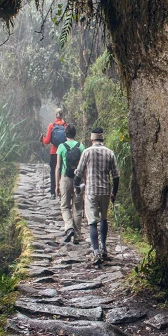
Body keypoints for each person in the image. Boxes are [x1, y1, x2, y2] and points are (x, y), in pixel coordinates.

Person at [73, 127, 119, 262]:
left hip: (91, 192)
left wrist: (76, 186)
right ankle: (104, 247)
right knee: (103, 219)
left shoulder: (87, 152)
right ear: (102, 138)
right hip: (105, 191)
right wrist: (114, 193)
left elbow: (79, 172)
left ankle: (96, 252)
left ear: (92, 138)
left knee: (92, 222)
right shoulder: (110, 153)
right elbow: (116, 176)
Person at [55, 123, 85, 244]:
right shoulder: (81, 146)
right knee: (77, 208)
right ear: (75, 134)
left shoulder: (61, 147)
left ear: (65, 134)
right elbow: (84, 166)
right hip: (78, 180)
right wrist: (85, 181)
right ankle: (77, 236)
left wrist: (57, 184)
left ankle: (69, 227)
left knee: (65, 206)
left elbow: (58, 167)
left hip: (66, 179)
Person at [41, 108, 67, 197]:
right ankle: (61, 191)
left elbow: (47, 141)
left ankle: (52, 193)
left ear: (55, 115)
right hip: (63, 152)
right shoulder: (65, 126)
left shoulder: (51, 125)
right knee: (62, 171)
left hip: (54, 152)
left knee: (53, 171)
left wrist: (42, 139)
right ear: (62, 115)